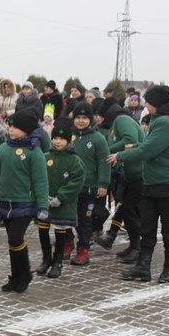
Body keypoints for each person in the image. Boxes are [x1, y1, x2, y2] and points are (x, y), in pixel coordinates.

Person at [110, 85, 169, 284]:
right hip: (153, 183)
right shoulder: (158, 120)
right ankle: (143, 267)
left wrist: (121, 155)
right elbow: (152, 145)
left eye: (148, 101)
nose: (145, 104)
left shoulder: (166, 122)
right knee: (147, 227)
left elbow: (150, 150)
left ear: (156, 103)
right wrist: (136, 146)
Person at [0, 109, 49, 293]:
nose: (11, 129)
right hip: (5, 203)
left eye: (16, 127)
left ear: (26, 130)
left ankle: (25, 274)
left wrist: (43, 206)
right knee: (12, 241)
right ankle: (15, 275)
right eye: (10, 125)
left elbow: (41, 181)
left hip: (25, 204)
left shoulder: (34, 152)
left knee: (17, 238)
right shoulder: (3, 149)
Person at [93, 97, 146, 263]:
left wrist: (106, 151)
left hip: (139, 173)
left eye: (99, 115)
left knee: (130, 210)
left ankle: (137, 248)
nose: (98, 118)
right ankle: (133, 246)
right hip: (129, 173)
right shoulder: (113, 125)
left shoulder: (122, 120)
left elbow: (130, 141)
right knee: (126, 209)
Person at [37, 118, 85, 279]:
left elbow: (76, 181)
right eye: (55, 138)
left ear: (68, 140)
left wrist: (60, 197)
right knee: (42, 229)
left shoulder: (74, 160)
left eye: (62, 139)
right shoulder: (45, 157)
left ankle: (57, 262)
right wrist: (42, 196)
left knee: (60, 232)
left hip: (63, 205)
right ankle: (46, 259)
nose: (58, 142)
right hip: (45, 202)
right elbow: (38, 177)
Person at [66, 102, 110, 266]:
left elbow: (103, 162)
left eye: (85, 118)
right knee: (67, 218)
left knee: (85, 220)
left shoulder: (98, 138)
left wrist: (103, 184)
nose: (81, 121)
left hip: (89, 188)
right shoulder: (68, 136)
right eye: (78, 117)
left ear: (90, 119)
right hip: (70, 187)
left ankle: (83, 248)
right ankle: (68, 242)